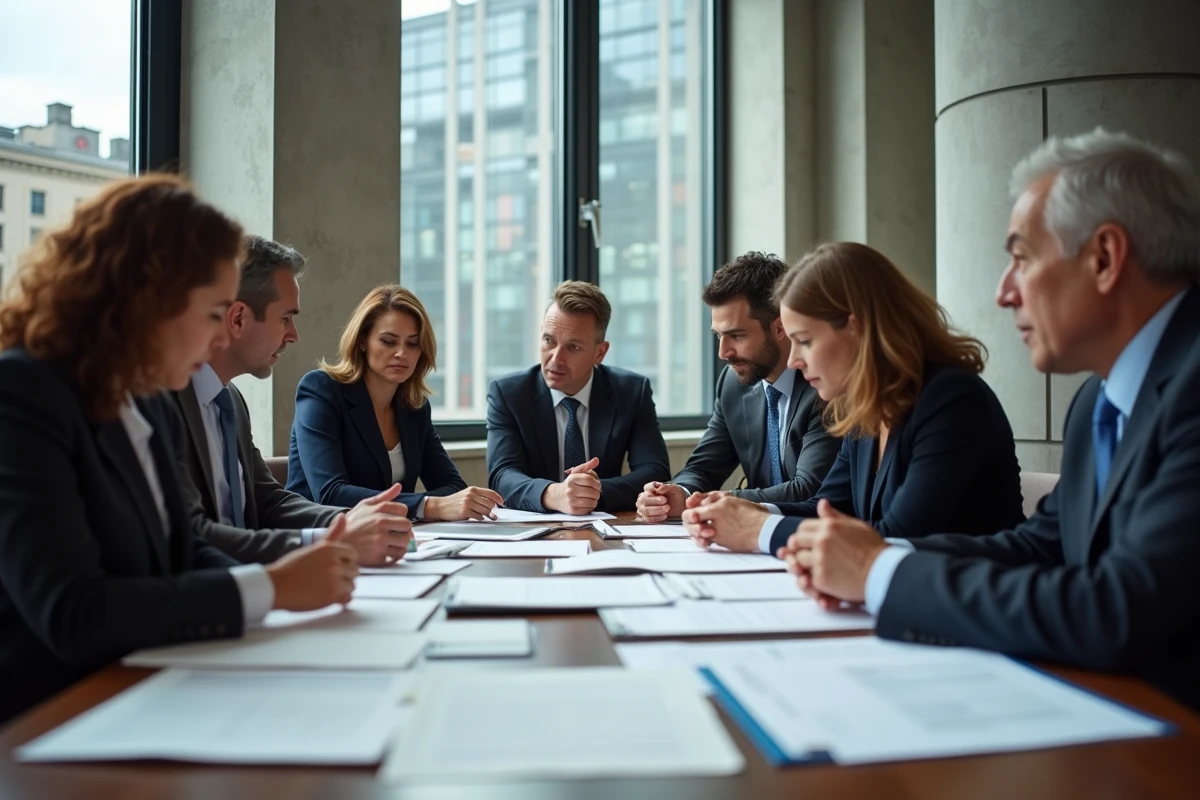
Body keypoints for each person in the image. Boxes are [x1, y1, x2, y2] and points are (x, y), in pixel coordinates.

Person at [777, 129, 1200, 711]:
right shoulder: (1096, 403)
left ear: (1104, 258)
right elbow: (1041, 546)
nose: (1004, 292)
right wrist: (872, 564)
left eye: (1021, 258)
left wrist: (879, 573)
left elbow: (1119, 610)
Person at [0, 175, 357, 723]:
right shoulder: (23, 394)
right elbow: (75, 612)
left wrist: (279, 588)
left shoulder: (149, 403)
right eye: (214, 313)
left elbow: (187, 548)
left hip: (158, 682)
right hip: (55, 717)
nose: (221, 338)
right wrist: (269, 588)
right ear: (151, 299)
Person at [682, 242, 1025, 554]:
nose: (794, 361)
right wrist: (750, 510)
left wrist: (759, 530)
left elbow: (896, 539)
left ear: (857, 329)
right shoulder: (864, 406)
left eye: (805, 341)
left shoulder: (951, 401)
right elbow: (829, 507)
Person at [174, 235, 412, 565]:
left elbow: (267, 500)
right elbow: (193, 536)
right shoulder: (164, 403)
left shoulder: (230, 401)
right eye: (285, 318)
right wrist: (329, 538)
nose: (294, 335)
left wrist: (347, 521)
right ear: (238, 318)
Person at [636, 252, 839, 523]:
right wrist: (679, 493)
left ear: (780, 328)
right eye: (719, 336)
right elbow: (704, 467)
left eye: (737, 336)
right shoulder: (733, 383)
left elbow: (809, 489)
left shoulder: (824, 387)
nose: (723, 352)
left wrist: (718, 501)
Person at [288, 285, 499, 520]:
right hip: (316, 534)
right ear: (362, 341)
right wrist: (428, 506)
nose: (401, 353)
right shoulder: (321, 390)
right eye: (388, 341)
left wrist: (428, 505)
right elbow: (330, 494)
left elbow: (453, 487)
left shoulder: (414, 407)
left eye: (412, 343)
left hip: (388, 535)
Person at [487, 280, 670, 513]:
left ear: (599, 353)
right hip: (533, 524)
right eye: (549, 340)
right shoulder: (509, 394)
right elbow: (502, 476)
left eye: (573, 347)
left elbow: (655, 471)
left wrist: (591, 493)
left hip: (605, 524)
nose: (556, 358)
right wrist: (554, 494)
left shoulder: (631, 392)